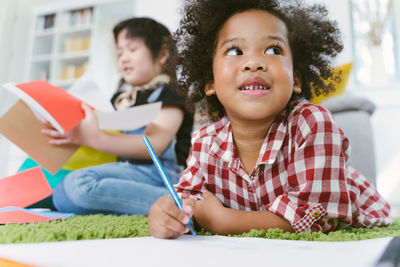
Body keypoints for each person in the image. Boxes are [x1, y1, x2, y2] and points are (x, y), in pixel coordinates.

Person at [147, 0, 392, 238]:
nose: (254, 63)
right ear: (209, 83)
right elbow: (188, 202)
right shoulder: (204, 142)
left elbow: (320, 217)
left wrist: (224, 221)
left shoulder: (313, 124)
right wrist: (167, 216)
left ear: (295, 80)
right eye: (235, 51)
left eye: (274, 50)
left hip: (360, 216)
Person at [42, 17, 193, 215]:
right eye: (120, 52)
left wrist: (94, 137)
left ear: (163, 54)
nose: (123, 58)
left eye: (132, 49)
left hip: (160, 175)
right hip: (125, 170)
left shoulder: (171, 93)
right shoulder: (120, 98)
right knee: (57, 185)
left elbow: (154, 145)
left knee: (79, 185)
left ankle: (180, 202)